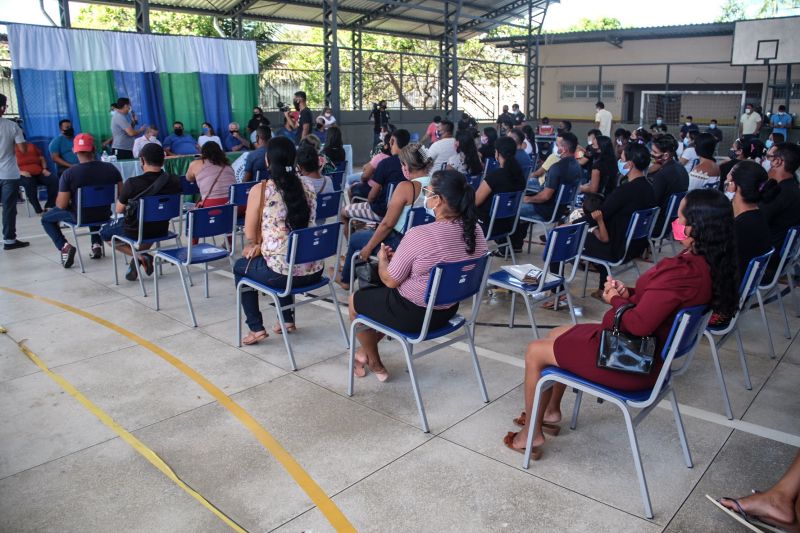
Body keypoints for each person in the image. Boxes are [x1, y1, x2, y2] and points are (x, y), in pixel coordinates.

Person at [504, 188, 738, 456]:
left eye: (680, 217)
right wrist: (631, 294)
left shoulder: (683, 273)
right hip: (647, 352)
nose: (675, 221)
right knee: (557, 333)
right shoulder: (706, 264)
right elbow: (661, 302)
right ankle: (551, 412)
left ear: (696, 227)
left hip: (631, 361)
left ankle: (530, 435)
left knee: (536, 351)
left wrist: (615, 299)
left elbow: (638, 324)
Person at [349, 169, 488, 381]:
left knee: (355, 301)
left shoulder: (420, 234)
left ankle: (374, 362)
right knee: (381, 302)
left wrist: (384, 261)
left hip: (414, 316)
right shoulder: (475, 231)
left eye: (427, 193)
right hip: (448, 310)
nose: (425, 198)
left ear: (438, 200)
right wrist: (402, 259)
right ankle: (364, 351)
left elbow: (390, 280)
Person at [234, 136, 322, 344]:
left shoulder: (261, 190)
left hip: (283, 276)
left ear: (267, 160)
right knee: (282, 259)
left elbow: (250, 234)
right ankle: (287, 320)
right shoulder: (308, 185)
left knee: (241, 267)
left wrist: (259, 245)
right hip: (314, 270)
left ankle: (255, 328)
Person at [339, 143, 434, 290]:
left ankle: (346, 280)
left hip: (399, 241)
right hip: (423, 241)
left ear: (406, 166)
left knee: (356, 239)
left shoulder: (406, 187)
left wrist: (368, 247)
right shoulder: (436, 184)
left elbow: (387, 224)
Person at [583, 143, 657, 299]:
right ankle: (603, 288)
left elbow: (601, 213)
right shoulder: (649, 187)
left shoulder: (625, 190)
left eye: (622, 159)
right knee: (599, 230)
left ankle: (557, 293)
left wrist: (573, 223)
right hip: (636, 246)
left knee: (567, 239)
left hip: (617, 249)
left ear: (629, 164)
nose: (620, 162)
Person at [98, 143, 181, 280]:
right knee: (149, 225)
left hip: (135, 230)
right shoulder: (174, 180)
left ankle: (139, 256)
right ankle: (139, 258)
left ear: (142, 160)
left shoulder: (132, 183)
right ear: (163, 160)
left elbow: (119, 209)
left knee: (104, 232)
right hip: (162, 228)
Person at [41, 133, 122, 265]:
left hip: (80, 217)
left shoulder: (69, 174)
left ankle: (64, 247)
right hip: (105, 214)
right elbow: (121, 194)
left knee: (46, 218)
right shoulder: (111, 169)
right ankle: (96, 244)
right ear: (93, 149)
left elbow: (61, 205)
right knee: (94, 205)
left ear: (74, 150)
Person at [511, 132, 582, 251]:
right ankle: (517, 244)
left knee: (512, 208)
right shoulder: (577, 166)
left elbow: (545, 196)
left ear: (563, 149)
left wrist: (528, 199)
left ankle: (508, 247)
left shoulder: (557, 167)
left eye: (557, 145)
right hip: (561, 210)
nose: (556, 147)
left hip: (546, 210)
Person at [341, 129, 410, 228]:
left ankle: (355, 236)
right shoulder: (411, 164)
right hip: (402, 212)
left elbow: (372, 196)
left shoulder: (385, 163)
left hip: (382, 211)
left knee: (343, 212)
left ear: (392, 141)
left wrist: (368, 204)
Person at [724, 160, 776, 279]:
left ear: (733, 186)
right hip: (745, 282)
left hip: (729, 285)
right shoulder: (757, 217)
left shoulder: (738, 227)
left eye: (728, 180)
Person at [760, 143, 800, 276]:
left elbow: (755, 222)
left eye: (768, 157)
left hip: (765, 262)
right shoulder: (792, 187)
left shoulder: (779, 193)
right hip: (778, 257)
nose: (764, 161)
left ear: (777, 161)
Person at [475, 136, 526, 240]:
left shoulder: (494, 176)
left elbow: (475, 201)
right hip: (509, 225)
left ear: (497, 153)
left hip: (488, 226)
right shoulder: (520, 176)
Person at [0, 95, 28, 250]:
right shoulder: (12, 126)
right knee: (8, 208)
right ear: (3, 108)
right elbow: (23, 150)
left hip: (8, 174)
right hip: (8, 174)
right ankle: (9, 240)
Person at [648, 134, 689, 236]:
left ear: (666, 155)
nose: (651, 154)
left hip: (658, 224)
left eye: (655, 152)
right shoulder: (681, 168)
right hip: (673, 220)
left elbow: (652, 202)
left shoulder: (662, 175)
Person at [185, 141, 236, 208]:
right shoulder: (227, 164)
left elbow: (188, 178)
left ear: (203, 153)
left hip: (212, 205)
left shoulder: (195, 164)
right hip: (234, 203)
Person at [16, 138, 57, 214]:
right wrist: (20, 172)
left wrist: (44, 169)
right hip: (22, 174)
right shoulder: (10, 149)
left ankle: (50, 205)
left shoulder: (31, 146)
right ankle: (38, 210)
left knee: (53, 179)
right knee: (29, 182)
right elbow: (7, 166)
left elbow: (41, 158)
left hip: (38, 172)